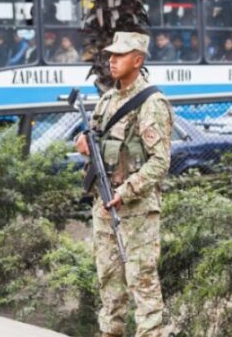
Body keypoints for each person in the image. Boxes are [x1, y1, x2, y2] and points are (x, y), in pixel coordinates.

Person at [75, 32, 173, 337]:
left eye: (119, 56)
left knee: (142, 283)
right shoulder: (107, 100)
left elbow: (160, 162)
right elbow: (96, 140)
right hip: (104, 205)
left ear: (138, 60)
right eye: (111, 55)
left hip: (137, 210)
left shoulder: (151, 103)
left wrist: (126, 191)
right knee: (108, 280)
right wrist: (83, 145)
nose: (112, 60)